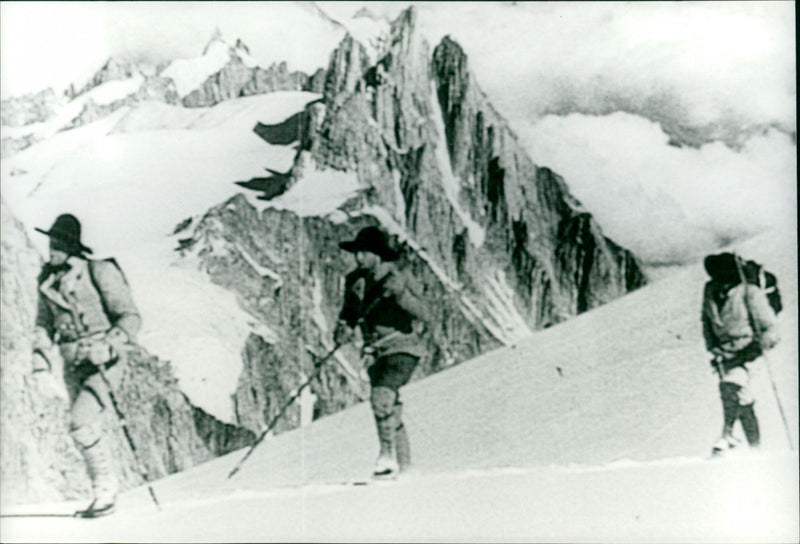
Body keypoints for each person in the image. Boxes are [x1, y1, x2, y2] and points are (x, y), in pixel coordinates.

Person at [32, 214, 141, 517]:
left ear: (70, 245)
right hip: (73, 365)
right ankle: (103, 493)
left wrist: (108, 345)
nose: (51, 249)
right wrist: (40, 363)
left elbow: (130, 317)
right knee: (84, 428)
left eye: (57, 243)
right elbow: (43, 325)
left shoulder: (100, 270)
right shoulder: (46, 282)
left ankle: (106, 491)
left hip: (106, 362)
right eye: (50, 242)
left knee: (79, 422)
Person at [334, 226, 429, 478]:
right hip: (375, 354)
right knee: (388, 408)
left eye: (363, 253)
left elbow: (423, 312)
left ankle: (386, 456)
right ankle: (406, 467)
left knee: (382, 397)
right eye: (357, 253)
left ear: (376, 253)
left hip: (403, 348)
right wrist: (343, 328)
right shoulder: (354, 281)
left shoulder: (400, 275)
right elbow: (349, 314)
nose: (359, 258)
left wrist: (400, 294)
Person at [701, 252, 779, 456]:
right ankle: (755, 449)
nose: (718, 278)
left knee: (730, 387)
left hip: (750, 352)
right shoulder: (711, 290)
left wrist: (759, 346)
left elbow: (770, 327)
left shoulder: (750, 292)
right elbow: (706, 321)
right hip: (725, 355)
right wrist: (713, 348)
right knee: (742, 400)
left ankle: (728, 435)